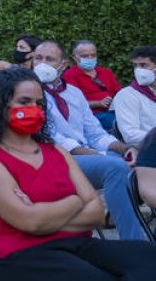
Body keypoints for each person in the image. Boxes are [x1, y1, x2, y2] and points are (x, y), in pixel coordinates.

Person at [0, 68, 155, 279]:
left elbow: (95, 213)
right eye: (24, 101)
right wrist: (76, 201)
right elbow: (31, 222)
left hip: (75, 244)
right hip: (18, 255)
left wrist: (40, 218)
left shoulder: (56, 151)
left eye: (39, 103)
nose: (34, 108)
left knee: (148, 257)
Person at [29, 40, 147, 240]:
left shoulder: (74, 93)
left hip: (86, 154)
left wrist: (126, 148)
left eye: (50, 59)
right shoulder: (27, 92)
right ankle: (136, 242)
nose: (43, 64)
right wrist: (95, 154)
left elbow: (95, 132)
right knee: (114, 167)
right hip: (55, 157)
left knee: (140, 162)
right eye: (38, 58)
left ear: (63, 64)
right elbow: (49, 136)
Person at [61, 40, 121, 132]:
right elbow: (72, 103)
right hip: (92, 116)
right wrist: (98, 103)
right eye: (85, 56)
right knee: (117, 123)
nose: (90, 58)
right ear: (74, 57)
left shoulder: (106, 72)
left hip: (115, 110)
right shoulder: (69, 76)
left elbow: (119, 92)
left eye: (93, 55)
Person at [110, 46, 156, 146]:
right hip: (146, 151)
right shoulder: (126, 95)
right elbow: (131, 136)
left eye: (143, 65)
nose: (138, 70)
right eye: (135, 66)